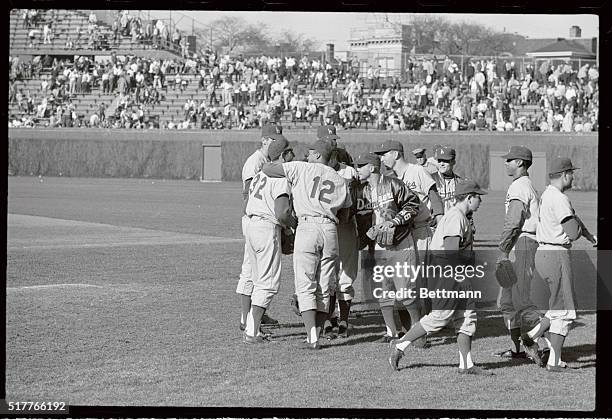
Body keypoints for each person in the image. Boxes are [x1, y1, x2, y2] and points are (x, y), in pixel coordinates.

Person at [388, 180, 493, 375]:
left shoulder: (461, 216)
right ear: (469, 198)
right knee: (440, 317)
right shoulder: (455, 217)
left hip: (454, 272)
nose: (480, 201)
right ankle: (400, 345)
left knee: (466, 317)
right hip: (447, 273)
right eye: (478, 197)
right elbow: (451, 251)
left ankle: (466, 365)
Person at [262, 140, 352, 350]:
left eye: (311, 153)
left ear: (319, 155)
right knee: (325, 285)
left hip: (307, 225)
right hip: (330, 228)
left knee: (305, 282)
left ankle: (312, 336)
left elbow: (268, 168)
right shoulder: (339, 178)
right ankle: (318, 334)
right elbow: (346, 214)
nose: (307, 156)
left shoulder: (301, 167)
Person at [521, 158, 597, 372]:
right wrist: (582, 232)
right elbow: (572, 232)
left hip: (543, 253)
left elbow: (572, 219)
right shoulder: (560, 198)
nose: (573, 176)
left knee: (557, 308)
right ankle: (551, 358)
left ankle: (532, 337)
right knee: (565, 311)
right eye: (571, 173)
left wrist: (590, 236)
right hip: (557, 255)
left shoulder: (547, 194)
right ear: (564, 174)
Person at [354, 152, 422, 343]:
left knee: (405, 290)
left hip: (401, 243)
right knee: (384, 290)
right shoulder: (365, 190)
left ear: (372, 168)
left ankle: (419, 332)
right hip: (381, 245)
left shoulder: (393, 183)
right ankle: (391, 332)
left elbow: (413, 204)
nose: (357, 169)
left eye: (361, 165)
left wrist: (395, 221)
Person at [242, 138, 297, 344]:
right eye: (290, 152)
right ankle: (252, 332)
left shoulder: (260, 174)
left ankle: (251, 327)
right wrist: (294, 224)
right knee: (268, 283)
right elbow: (282, 213)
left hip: (252, 225)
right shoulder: (280, 176)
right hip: (266, 228)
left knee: (258, 280)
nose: (293, 155)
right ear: (283, 154)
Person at [494, 146, 543, 365]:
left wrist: (503, 249)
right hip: (520, 242)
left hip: (523, 243)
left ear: (521, 163)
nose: (506, 163)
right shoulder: (523, 185)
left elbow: (514, 221)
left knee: (522, 298)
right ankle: (517, 350)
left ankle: (544, 348)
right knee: (506, 301)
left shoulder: (520, 185)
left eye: (510, 160)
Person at [235, 124, 285, 334]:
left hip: (257, 219)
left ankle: (255, 317)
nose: (276, 141)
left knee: (255, 272)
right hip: (256, 219)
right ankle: (247, 319)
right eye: (273, 138)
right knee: (252, 271)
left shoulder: (267, 161)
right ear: (264, 140)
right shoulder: (255, 161)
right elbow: (248, 193)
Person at [431, 146, 463, 213]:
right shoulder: (430, 179)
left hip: (454, 221)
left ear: (453, 162)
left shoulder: (460, 182)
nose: (442, 164)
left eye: (445, 161)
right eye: (439, 161)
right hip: (435, 221)